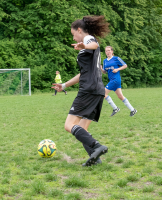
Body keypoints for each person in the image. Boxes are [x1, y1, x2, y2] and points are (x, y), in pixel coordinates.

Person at [52, 15, 110, 167]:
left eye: (73, 34)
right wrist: (64, 86)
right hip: (97, 89)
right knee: (82, 128)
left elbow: (94, 45)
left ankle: (97, 146)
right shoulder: (88, 43)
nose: (74, 37)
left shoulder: (89, 39)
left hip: (89, 89)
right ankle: (95, 158)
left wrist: (84, 46)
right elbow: (83, 73)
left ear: (79, 30)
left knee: (69, 125)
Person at [100, 46, 137, 117]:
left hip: (116, 80)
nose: (107, 52)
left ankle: (115, 108)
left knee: (103, 93)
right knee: (120, 96)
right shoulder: (105, 61)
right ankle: (133, 110)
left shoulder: (116, 58)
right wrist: (101, 69)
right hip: (112, 80)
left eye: (109, 50)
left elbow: (125, 65)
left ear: (112, 51)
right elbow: (105, 72)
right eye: (106, 51)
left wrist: (117, 69)